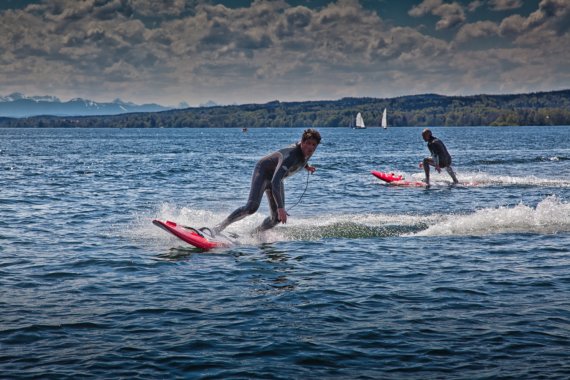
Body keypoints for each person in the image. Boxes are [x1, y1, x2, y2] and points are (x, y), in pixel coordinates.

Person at [209, 128, 321, 236]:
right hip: (263, 172)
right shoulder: (291, 156)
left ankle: (253, 234)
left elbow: (301, 160)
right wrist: (280, 208)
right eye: (308, 143)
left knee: (276, 219)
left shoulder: (306, 152)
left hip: (276, 179)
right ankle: (218, 227)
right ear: (302, 142)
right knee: (251, 207)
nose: (310, 147)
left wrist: (307, 166)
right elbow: (275, 182)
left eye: (314, 145)